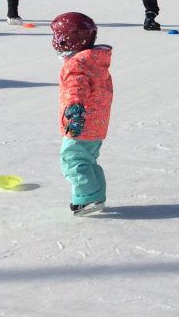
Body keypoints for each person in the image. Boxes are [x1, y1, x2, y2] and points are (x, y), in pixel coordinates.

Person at [51, 12, 114, 216]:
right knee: (87, 160)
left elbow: (76, 89)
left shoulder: (77, 64)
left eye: (57, 36)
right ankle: (95, 194)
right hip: (97, 122)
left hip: (81, 122)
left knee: (72, 160)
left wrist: (75, 111)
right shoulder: (93, 61)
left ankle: (88, 198)